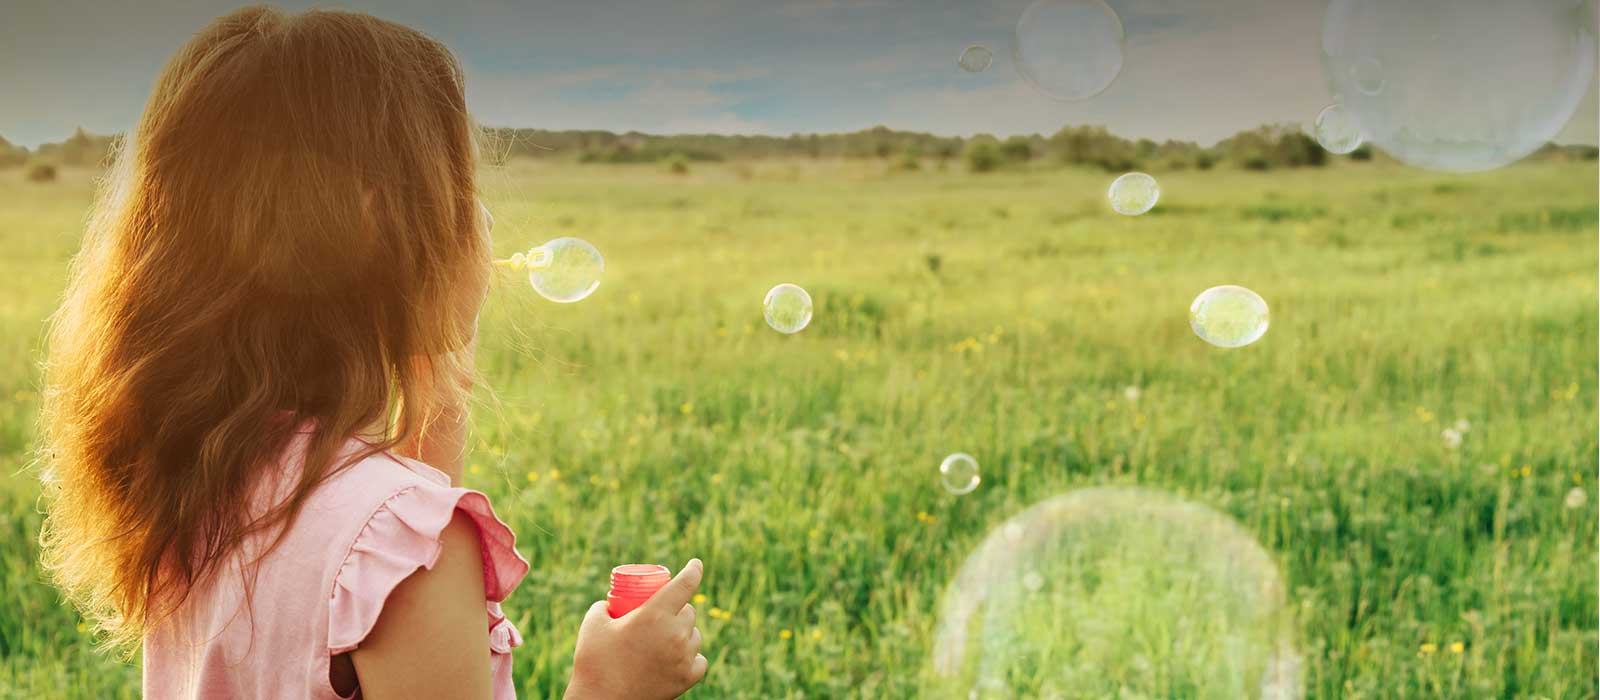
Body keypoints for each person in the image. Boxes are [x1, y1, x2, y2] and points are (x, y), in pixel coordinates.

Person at [35, 6, 706, 699]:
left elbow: (382, 518)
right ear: (376, 223)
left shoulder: (205, 466)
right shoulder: (412, 551)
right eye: (458, 190)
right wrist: (609, 688)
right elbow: (394, 532)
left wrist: (432, 353)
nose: (481, 223)